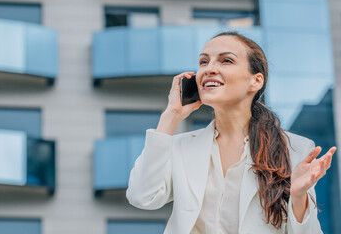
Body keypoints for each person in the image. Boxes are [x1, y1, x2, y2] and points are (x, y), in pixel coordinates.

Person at [126, 31, 336, 234]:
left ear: (256, 81)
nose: (209, 68)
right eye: (203, 62)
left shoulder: (295, 149)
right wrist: (171, 115)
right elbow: (142, 196)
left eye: (226, 61)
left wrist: (299, 197)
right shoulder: (181, 146)